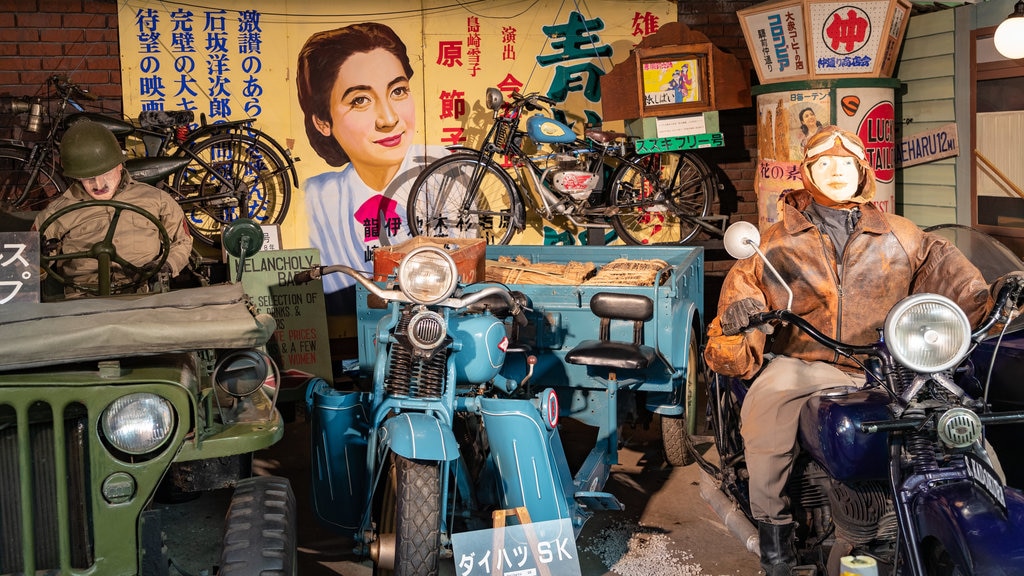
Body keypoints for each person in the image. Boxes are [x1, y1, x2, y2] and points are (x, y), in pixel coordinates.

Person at [703, 126, 1005, 575]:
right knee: (765, 414)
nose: (836, 171)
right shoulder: (774, 241)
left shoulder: (901, 233)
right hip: (806, 360)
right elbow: (743, 289)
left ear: (862, 169)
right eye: (823, 163)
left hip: (890, 362)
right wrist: (738, 317)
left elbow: (950, 275)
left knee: (960, 418)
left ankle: (992, 504)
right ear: (807, 172)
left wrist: (995, 295)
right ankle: (774, 533)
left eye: (846, 162)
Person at [296, 22, 447, 314]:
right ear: (323, 122)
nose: (389, 118)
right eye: (360, 100)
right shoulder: (317, 199)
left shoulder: (450, 173)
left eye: (399, 91)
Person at [33, 119, 192, 296]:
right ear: (77, 177)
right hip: (81, 299)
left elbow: (182, 241)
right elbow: (27, 261)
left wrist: (167, 265)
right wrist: (39, 255)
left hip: (141, 293)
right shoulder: (57, 212)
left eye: (106, 173)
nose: (99, 184)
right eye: (88, 178)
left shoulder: (157, 200)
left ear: (119, 165)